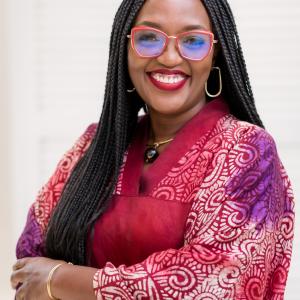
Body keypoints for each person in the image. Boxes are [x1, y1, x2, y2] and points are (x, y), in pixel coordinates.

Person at [10, 0, 295, 299]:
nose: (170, 57)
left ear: (215, 53)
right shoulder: (93, 145)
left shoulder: (245, 151)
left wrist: (61, 279)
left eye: (193, 41)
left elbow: (210, 283)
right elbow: (29, 268)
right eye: (149, 37)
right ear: (126, 47)